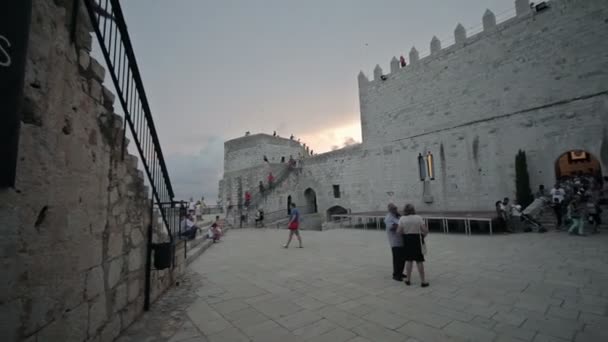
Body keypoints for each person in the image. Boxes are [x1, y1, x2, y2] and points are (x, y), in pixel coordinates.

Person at [397, 204, 429, 287]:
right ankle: (423, 281)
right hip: (417, 239)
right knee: (419, 260)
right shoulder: (418, 217)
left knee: (409, 260)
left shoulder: (402, 218)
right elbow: (425, 230)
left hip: (407, 240)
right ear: (413, 209)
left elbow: (398, 232)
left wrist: (404, 234)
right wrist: (422, 237)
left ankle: (408, 279)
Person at [384, 203, 405, 281]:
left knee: (402, 258)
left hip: (402, 240)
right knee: (397, 259)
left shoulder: (398, 216)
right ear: (390, 210)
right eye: (394, 209)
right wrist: (401, 225)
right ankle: (396, 275)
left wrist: (401, 224)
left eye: (396, 208)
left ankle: (400, 272)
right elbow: (392, 227)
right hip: (395, 241)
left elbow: (402, 223)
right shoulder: (388, 218)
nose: (395, 210)